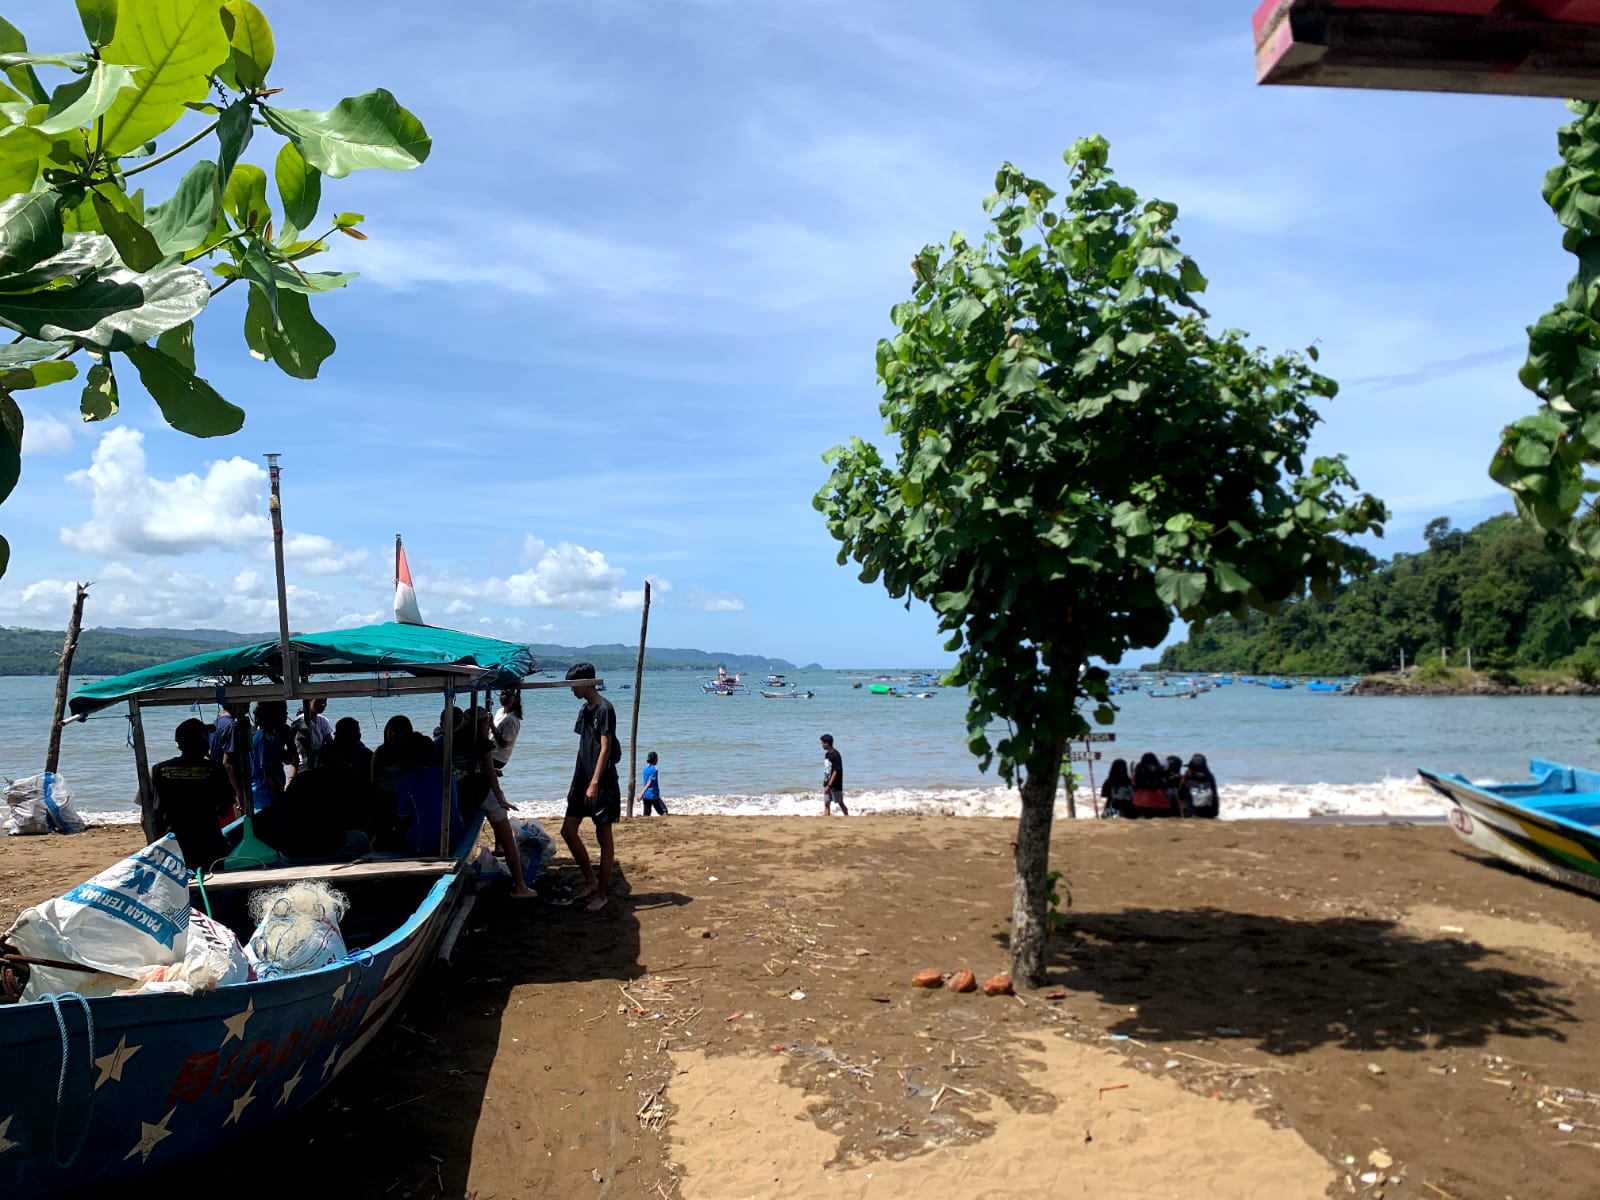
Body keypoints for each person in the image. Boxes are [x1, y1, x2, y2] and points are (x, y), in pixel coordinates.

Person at [560, 663, 621, 913]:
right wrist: (580, 781)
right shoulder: (585, 710)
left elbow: (605, 749)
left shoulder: (605, 709)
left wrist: (595, 782)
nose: (572, 690)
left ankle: (602, 893)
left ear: (587, 682)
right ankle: (590, 879)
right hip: (582, 778)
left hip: (602, 781)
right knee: (568, 830)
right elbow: (584, 746)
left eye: (574, 685)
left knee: (603, 838)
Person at [461, 705, 534, 899]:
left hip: (462, 794)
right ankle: (520, 886)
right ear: (482, 724)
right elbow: (488, 774)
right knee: (507, 837)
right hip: (482, 792)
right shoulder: (483, 743)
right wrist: (501, 798)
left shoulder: (452, 741)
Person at [151, 718, 234, 868]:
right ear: (201, 740)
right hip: (208, 845)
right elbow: (224, 809)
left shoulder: (158, 770)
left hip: (172, 846)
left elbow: (147, 817)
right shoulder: (214, 770)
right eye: (206, 736)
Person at [249, 699, 295, 814]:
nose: (286, 715)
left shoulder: (272, 735)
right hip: (266, 796)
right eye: (283, 712)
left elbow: (288, 759)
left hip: (274, 793)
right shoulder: (262, 738)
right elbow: (266, 773)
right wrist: (280, 796)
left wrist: (290, 738)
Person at [207, 700, 249, 822]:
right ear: (235, 704)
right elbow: (228, 764)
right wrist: (238, 793)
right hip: (228, 785)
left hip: (216, 782)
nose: (247, 708)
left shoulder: (216, 722)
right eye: (245, 704)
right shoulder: (232, 725)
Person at [293, 697, 334, 771]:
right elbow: (307, 746)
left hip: (320, 762)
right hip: (305, 764)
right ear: (309, 702)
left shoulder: (323, 720)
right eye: (318, 701)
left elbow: (329, 741)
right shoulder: (301, 721)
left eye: (325, 701)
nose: (323, 704)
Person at [1130, 752, 1173, 817]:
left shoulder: (1139, 772)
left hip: (1142, 802)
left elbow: (1134, 785)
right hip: (1161, 802)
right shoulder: (1161, 771)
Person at [1180, 753, 1221, 819]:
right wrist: (1215, 812)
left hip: (1191, 815)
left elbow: (1180, 795)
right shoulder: (1210, 777)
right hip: (1209, 815)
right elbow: (1215, 796)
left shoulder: (1188, 778)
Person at [492, 686, 523, 771]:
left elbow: (504, 744)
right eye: (502, 694)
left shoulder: (511, 720)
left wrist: (491, 726)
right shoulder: (500, 711)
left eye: (508, 695)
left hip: (497, 758)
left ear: (516, 699)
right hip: (491, 752)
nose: (503, 697)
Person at [820, 733, 847, 815]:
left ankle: (847, 816)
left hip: (835, 785)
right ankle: (826, 819)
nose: (822, 745)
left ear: (827, 743)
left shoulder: (836, 755)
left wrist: (829, 785)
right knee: (826, 803)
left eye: (822, 743)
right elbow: (827, 770)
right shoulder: (827, 754)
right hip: (827, 783)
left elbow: (836, 771)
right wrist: (825, 783)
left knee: (840, 802)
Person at [640, 750, 667, 816]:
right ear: (655, 759)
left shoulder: (645, 769)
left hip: (646, 796)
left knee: (646, 813)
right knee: (664, 811)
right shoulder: (654, 769)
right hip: (653, 795)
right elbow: (649, 782)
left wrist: (643, 794)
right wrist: (641, 794)